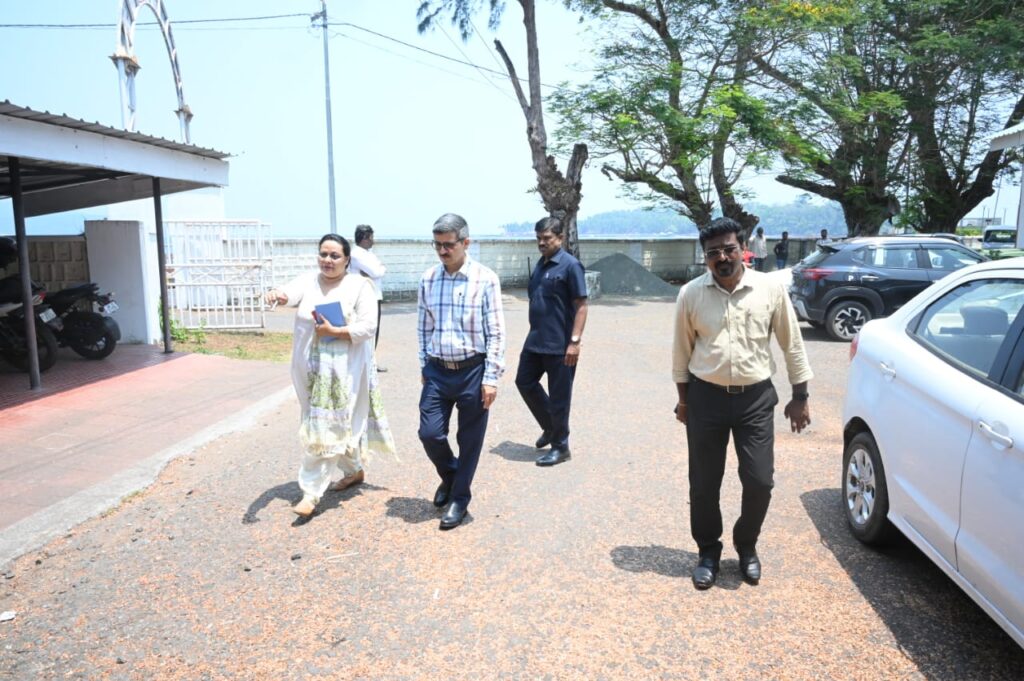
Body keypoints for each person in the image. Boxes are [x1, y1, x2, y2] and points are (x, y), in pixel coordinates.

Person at [673, 217, 813, 590]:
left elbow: (791, 344)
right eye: (713, 252)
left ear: (743, 249)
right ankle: (707, 551)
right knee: (704, 482)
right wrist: (683, 401)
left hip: (754, 400)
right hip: (706, 398)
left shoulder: (768, 290)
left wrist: (800, 397)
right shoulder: (690, 294)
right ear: (705, 257)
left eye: (729, 249)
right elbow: (681, 352)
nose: (722, 257)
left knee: (760, 481)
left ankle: (746, 546)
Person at [265, 234, 396, 517]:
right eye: (323, 254)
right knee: (328, 421)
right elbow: (290, 293)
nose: (327, 260)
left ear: (347, 260)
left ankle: (311, 493)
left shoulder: (360, 286)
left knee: (324, 426)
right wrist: (278, 294)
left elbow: (368, 327)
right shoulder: (309, 281)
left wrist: (336, 332)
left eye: (334, 256)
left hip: (344, 373)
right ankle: (354, 470)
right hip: (308, 370)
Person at [417, 213, 506, 530]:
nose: (442, 251)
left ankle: (459, 500)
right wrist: (424, 364)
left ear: (465, 243)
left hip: (473, 371)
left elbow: (496, 332)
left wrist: (491, 377)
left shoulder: (485, 279)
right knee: (429, 433)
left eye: (448, 245)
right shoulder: (428, 279)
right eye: (437, 245)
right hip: (438, 371)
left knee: (470, 439)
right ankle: (451, 476)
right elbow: (424, 326)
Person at [516, 216, 588, 467]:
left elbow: (581, 306)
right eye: (538, 238)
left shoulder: (571, 266)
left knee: (559, 397)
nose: (541, 243)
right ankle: (550, 426)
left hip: (560, 345)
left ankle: (561, 447)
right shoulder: (540, 264)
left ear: (560, 238)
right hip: (535, 340)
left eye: (547, 238)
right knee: (524, 382)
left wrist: (575, 342)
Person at [348, 224, 388, 371]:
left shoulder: (368, 254)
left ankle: (371, 362)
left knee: (374, 330)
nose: (373, 241)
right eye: (371, 237)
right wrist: (378, 269)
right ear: (365, 238)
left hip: (375, 295)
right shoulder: (357, 254)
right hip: (365, 298)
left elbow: (377, 270)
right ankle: (366, 363)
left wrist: (378, 269)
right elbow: (377, 271)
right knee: (367, 330)